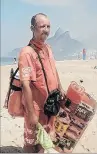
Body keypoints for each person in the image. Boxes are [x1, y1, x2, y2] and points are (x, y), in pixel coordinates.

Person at [18, 13, 65, 153]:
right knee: (30, 143)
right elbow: (25, 84)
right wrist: (31, 113)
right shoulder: (27, 53)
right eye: (42, 26)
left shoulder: (47, 48)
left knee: (43, 141)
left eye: (48, 26)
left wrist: (60, 88)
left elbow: (54, 70)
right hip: (35, 107)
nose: (46, 29)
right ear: (32, 28)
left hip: (49, 106)